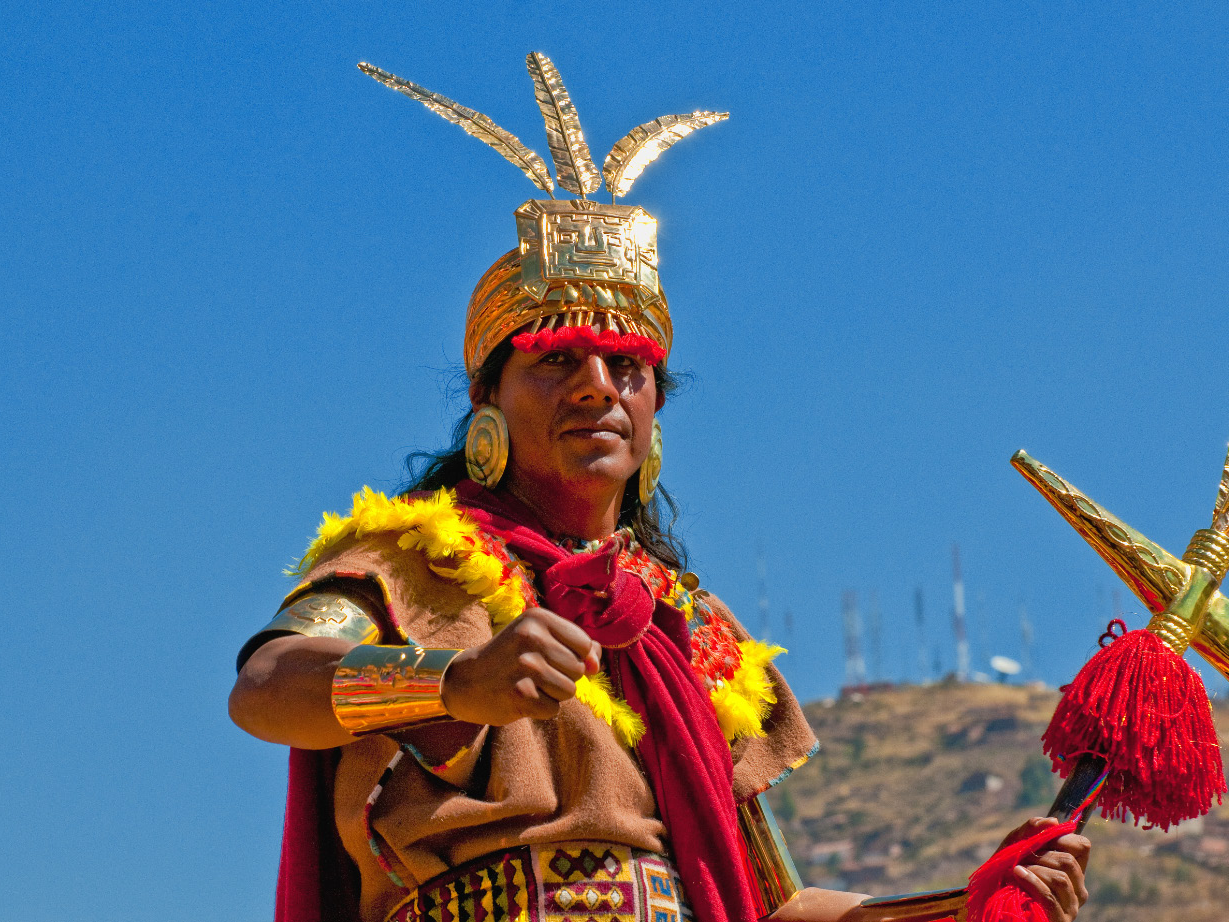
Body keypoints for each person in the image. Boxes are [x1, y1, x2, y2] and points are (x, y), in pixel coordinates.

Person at [229, 53, 1090, 922]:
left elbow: (764, 904)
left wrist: (964, 906)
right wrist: (458, 684)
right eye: (557, 360)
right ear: (487, 397)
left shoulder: (693, 629)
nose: (599, 387)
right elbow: (266, 685)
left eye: (629, 369)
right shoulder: (406, 563)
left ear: (653, 414)